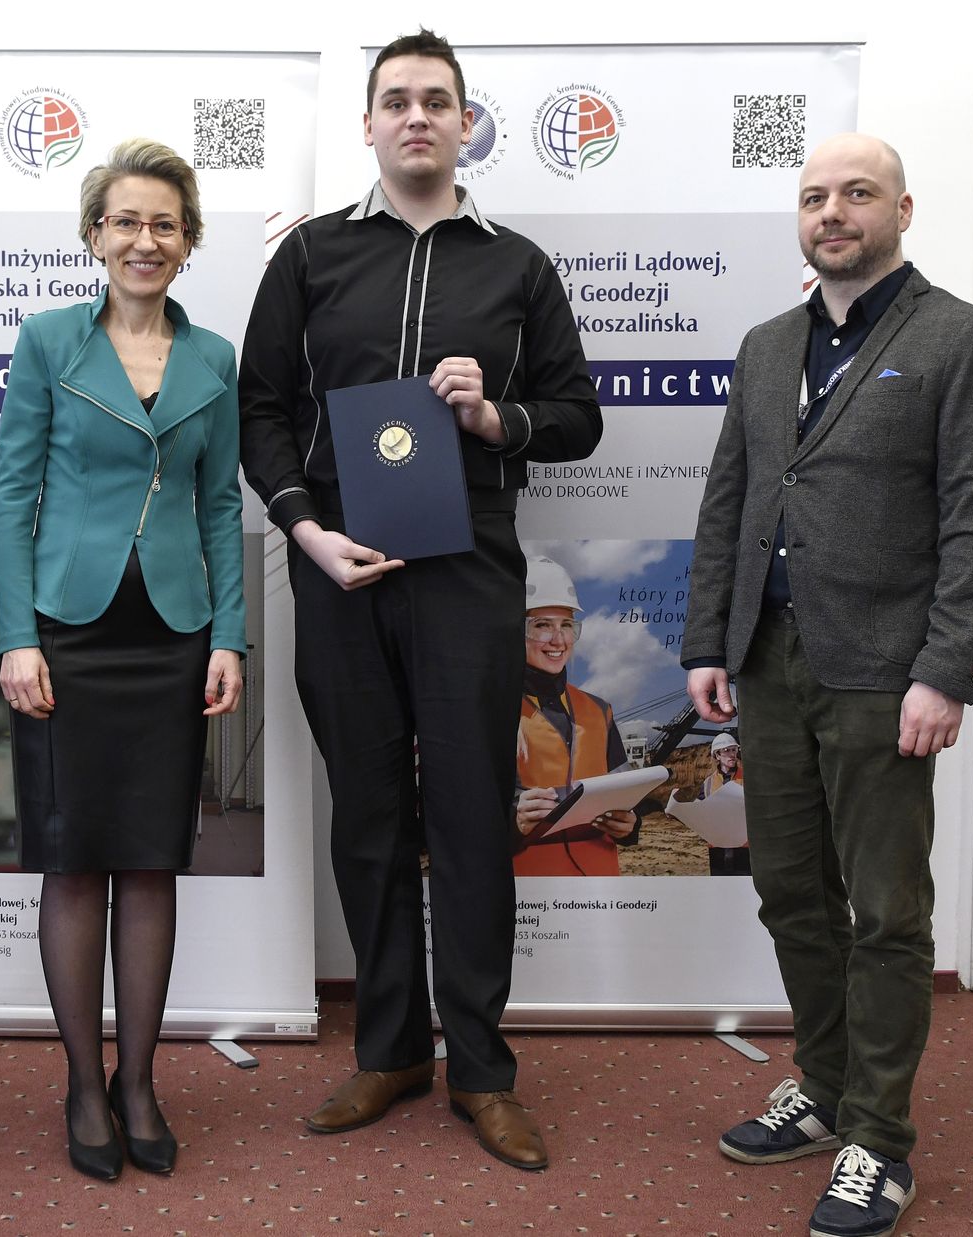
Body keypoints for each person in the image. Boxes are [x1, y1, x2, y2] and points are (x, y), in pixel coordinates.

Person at [239, 30, 600, 1171]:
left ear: (464, 124)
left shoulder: (517, 267)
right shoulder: (310, 256)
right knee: (368, 813)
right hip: (337, 565)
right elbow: (258, 409)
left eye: (436, 101)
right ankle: (390, 1048)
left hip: (466, 572)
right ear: (367, 124)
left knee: (470, 813)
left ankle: (482, 1069)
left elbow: (576, 416)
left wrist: (495, 416)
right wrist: (306, 530)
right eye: (395, 100)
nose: (416, 117)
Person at [680, 133, 973, 1237]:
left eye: (856, 193)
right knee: (790, 892)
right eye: (814, 196)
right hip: (766, 664)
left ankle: (878, 1136)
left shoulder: (957, 338)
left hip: (884, 671)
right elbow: (729, 503)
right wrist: (706, 642)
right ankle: (825, 1086)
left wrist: (945, 672)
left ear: (901, 211)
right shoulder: (766, 345)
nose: (831, 212)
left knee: (884, 913)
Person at [0, 138, 245, 1182]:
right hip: (68, 630)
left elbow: (220, 505)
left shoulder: (214, 357)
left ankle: (138, 1081)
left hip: (172, 636)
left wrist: (227, 633)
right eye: (126, 221)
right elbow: (13, 497)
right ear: (95, 235)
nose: (145, 239)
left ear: (187, 241)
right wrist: (16, 635)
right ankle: (83, 1085)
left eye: (164, 223)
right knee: (72, 858)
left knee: (148, 858)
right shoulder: (47, 339)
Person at [513, 555, 637, 877]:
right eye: (542, 625)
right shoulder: (490, 711)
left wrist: (628, 824)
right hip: (529, 887)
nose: (558, 640)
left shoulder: (599, 710)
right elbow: (460, 813)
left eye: (567, 625)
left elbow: (624, 794)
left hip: (599, 888)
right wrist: (513, 821)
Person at [696, 732, 750, 876]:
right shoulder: (708, 783)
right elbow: (700, 810)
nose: (732, 754)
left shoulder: (748, 778)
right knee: (720, 885)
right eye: (726, 750)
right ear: (717, 756)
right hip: (717, 846)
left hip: (743, 847)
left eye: (734, 750)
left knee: (743, 885)